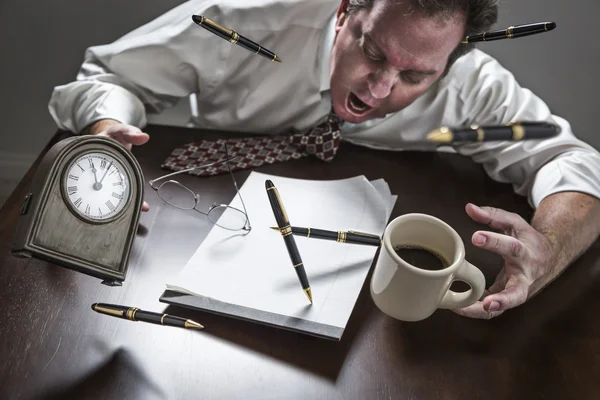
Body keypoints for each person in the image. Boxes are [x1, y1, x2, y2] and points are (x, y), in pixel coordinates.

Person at [48, 0, 600, 320]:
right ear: (345, 11)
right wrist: (107, 130)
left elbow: (574, 162)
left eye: (414, 76)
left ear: (450, 62)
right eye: (373, 52)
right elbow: (107, 78)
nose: (381, 88)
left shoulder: (471, 86)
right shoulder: (241, 23)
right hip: (189, 224)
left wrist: (548, 245)